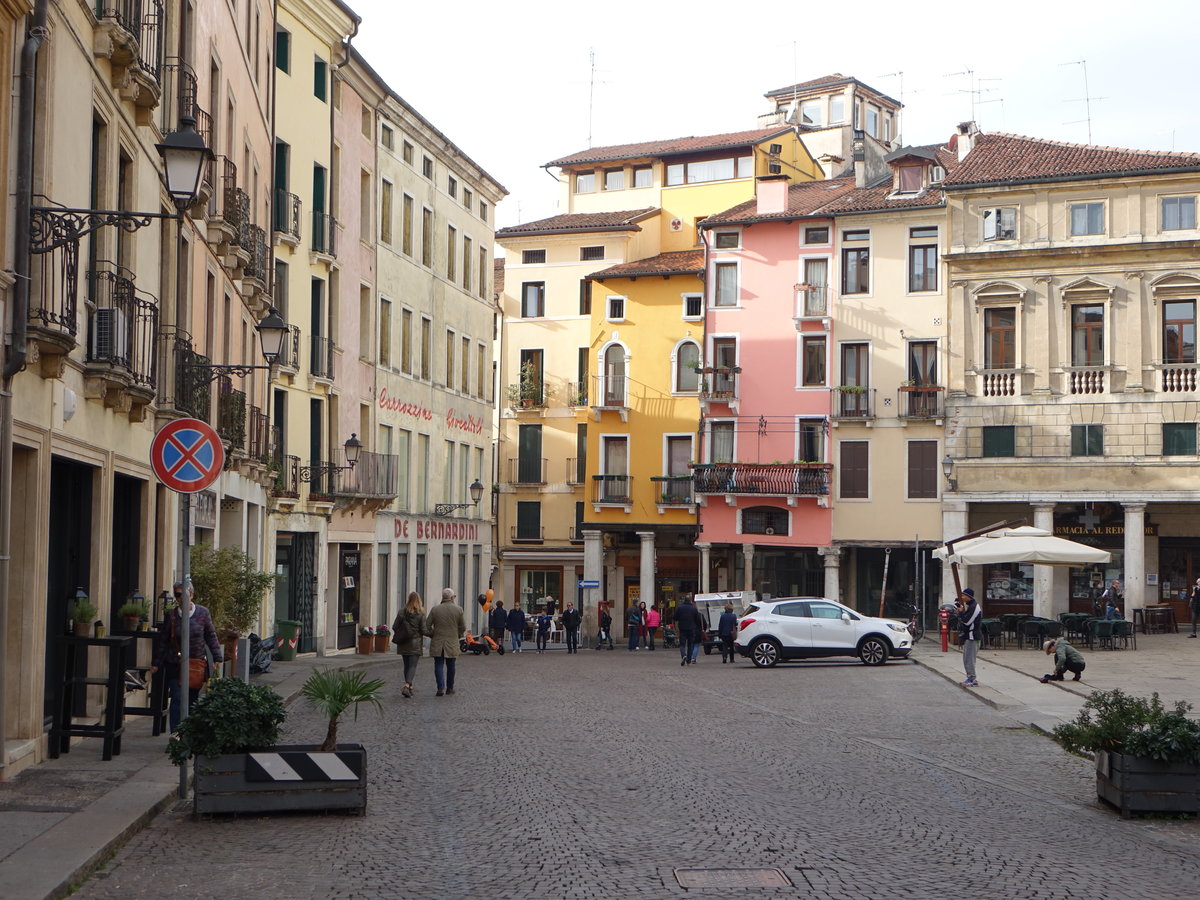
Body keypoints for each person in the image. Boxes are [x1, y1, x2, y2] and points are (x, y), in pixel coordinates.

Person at [150, 582, 223, 731]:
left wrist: (217, 657)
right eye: (177, 595)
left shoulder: (203, 613)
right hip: (174, 663)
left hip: (195, 664)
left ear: (191, 594)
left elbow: (210, 635)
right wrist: (156, 662)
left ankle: (189, 733)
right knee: (177, 697)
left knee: (191, 700)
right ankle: (176, 734)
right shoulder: (171, 615)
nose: (180, 598)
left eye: (184, 594)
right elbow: (163, 640)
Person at [425, 588, 465, 697]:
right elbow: (462, 627)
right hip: (452, 641)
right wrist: (458, 635)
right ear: (452, 598)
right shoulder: (458, 610)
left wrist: (433, 634)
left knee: (438, 664)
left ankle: (440, 687)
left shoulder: (435, 609)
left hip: (438, 641)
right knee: (451, 665)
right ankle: (450, 688)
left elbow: (426, 626)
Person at [392, 591, 425, 698]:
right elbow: (424, 629)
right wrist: (434, 634)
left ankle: (410, 687)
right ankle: (406, 685)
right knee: (412, 666)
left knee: (406, 665)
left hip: (403, 642)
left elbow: (394, 626)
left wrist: (403, 632)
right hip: (415, 642)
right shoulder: (420, 614)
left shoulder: (402, 612)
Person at [955, 587, 982, 688]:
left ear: (968, 597)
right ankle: (970, 677)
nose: (962, 597)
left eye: (963, 595)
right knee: (967, 658)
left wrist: (961, 613)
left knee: (969, 658)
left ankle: (972, 678)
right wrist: (962, 612)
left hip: (972, 636)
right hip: (970, 636)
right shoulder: (971, 607)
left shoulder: (974, 607)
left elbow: (967, 621)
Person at [674, 595, 705, 666]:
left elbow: (675, 617)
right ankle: (688, 659)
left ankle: (683, 655)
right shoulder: (693, 608)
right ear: (690, 600)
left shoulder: (680, 607)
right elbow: (697, 619)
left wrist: (680, 619)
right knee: (690, 644)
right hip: (691, 628)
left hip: (682, 628)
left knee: (682, 644)